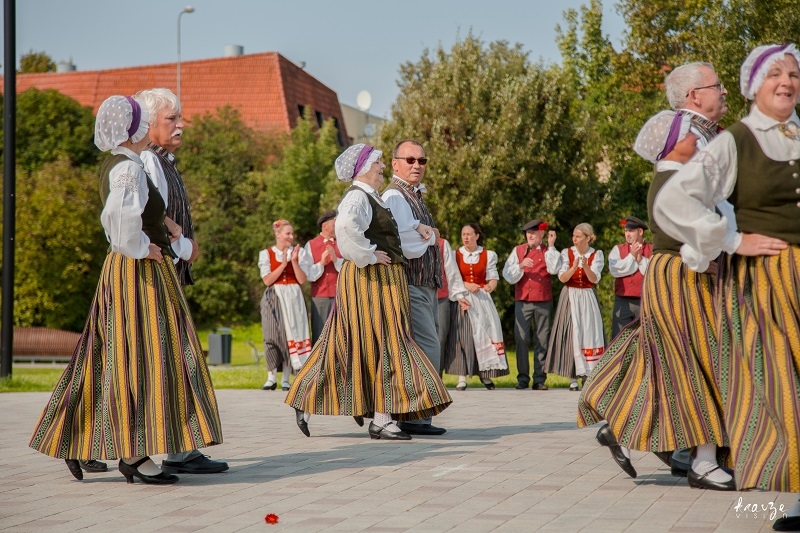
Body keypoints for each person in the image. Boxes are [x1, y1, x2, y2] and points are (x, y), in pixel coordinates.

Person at [28, 95, 223, 484]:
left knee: (110, 356)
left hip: (130, 270)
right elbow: (118, 216)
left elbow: (131, 210)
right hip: (138, 273)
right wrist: (139, 246)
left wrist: (163, 223)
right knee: (144, 357)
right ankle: (134, 454)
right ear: (134, 129)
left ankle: (79, 440)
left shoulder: (124, 163)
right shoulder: (129, 169)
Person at [654, 44, 800, 509]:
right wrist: (731, 243)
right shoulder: (713, 138)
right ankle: (699, 454)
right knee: (745, 370)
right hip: (743, 275)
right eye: (775, 74)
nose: (787, 82)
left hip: (737, 269)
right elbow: (674, 205)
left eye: (794, 74)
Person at [579, 110, 734, 489]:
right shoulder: (675, 179)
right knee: (703, 360)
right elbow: (692, 237)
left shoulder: (673, 176)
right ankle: (702, 460)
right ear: (673, 144)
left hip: (675, 272)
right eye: (690, 137)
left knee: (672, 359)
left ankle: (623, 428)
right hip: (684, 274)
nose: (697, 141)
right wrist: (716, 263)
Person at [285, 144, 452, 440]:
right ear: (363, 168)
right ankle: (381, 419)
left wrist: (417, 227)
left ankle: (362, 412)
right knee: (385, 342)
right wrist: (370, 255)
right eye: (378, 165)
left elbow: (389, 228)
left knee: (362, 343)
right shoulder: (357, 196)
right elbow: (347, 228)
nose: (382, 169)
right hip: (369, 278)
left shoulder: (371, 196)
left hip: (379, 279)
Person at [138, 88, 229, 476]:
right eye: (171, 119)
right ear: (150, 124)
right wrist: (184, 248)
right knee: (158, 360)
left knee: (172, 360)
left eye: (180, 117)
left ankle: (180, 449)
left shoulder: (163, 162)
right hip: (154, 277)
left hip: (167, 274)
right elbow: (149, 218)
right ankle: (92, 439)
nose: (181, 125)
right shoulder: (147, 161)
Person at [661, 59, 732, 478]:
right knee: (705, 357)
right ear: (694, 96)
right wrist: (709, 255)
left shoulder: (701, 134)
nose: (724, 91)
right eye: (716, 85)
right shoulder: (687, 136)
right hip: (691, 264)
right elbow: (681, 204)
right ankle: (702, 459)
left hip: (697, 259)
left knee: (694, 357)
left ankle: (696, 454)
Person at [381, 140, 447, 436]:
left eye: (422, 160)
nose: (417, 165)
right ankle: (414, 416)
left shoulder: (414, 195)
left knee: (426, 348)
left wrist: (428, 234)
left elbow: (420, 236)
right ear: (395, 164)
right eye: (410, 159)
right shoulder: (395, 195)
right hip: (411, 283)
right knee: (427, 349)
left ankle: (416, 415)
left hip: (425, 284)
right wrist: (431, 236)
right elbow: (407, 245)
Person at [443, 223, 509, 390]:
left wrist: (490, 286)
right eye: (463, 234)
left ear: (477, 236)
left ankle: (485, 375)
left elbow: (493, 277)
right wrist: (465, 284)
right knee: (463, 337)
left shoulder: (488, 255)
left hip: (482, 300)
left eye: (469, 234)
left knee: (486, 336)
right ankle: (461, 377)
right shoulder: (455, 254)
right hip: (463, 300)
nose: (465, 237)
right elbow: (451, 277)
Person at [502, 219, 559, 390]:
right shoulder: (518, 250)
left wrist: (551, 246)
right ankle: (522, 378)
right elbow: (507, 275)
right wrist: (520, 265)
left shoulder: (549, 251)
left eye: (533, 233)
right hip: (523, 300)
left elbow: (554, 269)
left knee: (542, 339)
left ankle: (539, 379)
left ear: (541, 234)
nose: (530, 236)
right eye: (528, 233)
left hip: (543, 301)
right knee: (521, 338)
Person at [546, 223, 604, 392]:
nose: (575, 239)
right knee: (572, 333)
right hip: (570, 295)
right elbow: (563, 278)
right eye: (574, 236)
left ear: (587, 238)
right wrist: (573, 267)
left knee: (589, 333)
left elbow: (594, 279)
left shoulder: (596, 255)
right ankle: (572, 377)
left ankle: (588, 375)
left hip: (587, 296)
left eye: (578, 236)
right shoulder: (567, 253)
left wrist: (585, 266)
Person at [259, 220, 311, 391]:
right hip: (274, 295)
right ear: (277, 234)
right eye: (287, 233)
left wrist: (294, 262)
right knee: (272, 334)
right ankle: (271, 376)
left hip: (293, 295)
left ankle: (287, 378)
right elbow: (267, 280)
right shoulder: (266, 254)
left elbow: (302, 279)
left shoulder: (299, 253)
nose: (291, 236)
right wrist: (282, 264)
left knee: (292, 333)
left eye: (292, 233)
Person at [300, 210, 343, 345]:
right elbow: (308, 274)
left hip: (340, 295)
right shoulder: (311, 245)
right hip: (320, 297)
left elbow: (347, 269)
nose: (338, 226)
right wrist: (321, 264)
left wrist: (336, 260)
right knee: (320, 333)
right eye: (335, 222)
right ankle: (319, 364)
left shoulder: (343, 243)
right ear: (325, 225)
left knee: (341, 332)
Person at [608, 216, 652, 338]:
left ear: (640, 232)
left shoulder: (652, 249)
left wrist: (641, 260)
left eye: (631, 231)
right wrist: (632, 257)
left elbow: (652, 272)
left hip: (644, 300)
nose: (627, 234)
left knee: (646, 338)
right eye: (626, 231)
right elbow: (615, 270)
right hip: (623, 300)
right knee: (619, 338)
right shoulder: (618, 249)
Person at [436, 237, 470, 378]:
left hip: (441, 297)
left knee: (441, 337)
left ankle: (437, 377)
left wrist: (459, 295)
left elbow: (451, 270)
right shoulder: (409, 239)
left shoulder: (442, 243)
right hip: (417, 297)